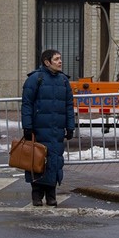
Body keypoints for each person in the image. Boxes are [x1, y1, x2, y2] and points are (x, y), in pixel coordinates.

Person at [21, 49, 75, 207]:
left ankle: (51, 195)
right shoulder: (34, 79)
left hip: (56, 130)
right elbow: (27, 105)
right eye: (57, 59)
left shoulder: (64, 80)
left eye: (60, 58)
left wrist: (70, 126)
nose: (60, 61)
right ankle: (36, 195)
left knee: (55, 161)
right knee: (37, 161)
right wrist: (28, 127)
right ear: (47, 62)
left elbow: (69, 106)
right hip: (39, 129)